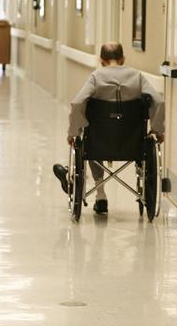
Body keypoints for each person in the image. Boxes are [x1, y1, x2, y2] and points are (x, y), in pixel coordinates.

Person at [53, 42, 164, 215]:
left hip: (98, 144)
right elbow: (158, 101)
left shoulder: (96, 77)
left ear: (101, 60)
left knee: (89, 137)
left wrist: (73, 133)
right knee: (94, 136)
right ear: (122, 59)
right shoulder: (137, 76)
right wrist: (157, 130)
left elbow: (77, 103)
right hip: (133, 143)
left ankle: (100, 194)